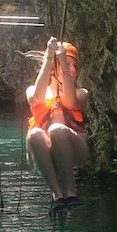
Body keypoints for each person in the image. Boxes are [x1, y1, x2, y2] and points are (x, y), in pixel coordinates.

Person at [26, 36, 89, 215]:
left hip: (75, 148)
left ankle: (70, 192)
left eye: (73, 66)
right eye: (66, 64)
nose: (71, 69)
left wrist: (62, 65)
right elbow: (36, 99)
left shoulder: (81, 92)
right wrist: (49, 58)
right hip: (43, 151)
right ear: (53, 68)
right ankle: (57, 195)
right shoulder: (33, 91)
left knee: (57, 129)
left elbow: (71, 103)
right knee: (34, 134)